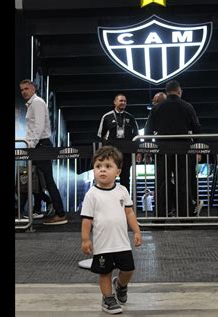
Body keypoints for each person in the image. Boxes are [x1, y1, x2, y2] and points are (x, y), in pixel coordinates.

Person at [81, 146, 142, 314]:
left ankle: (121, 286)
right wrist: (86, 239)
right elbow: (87, 220)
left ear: (118, 172)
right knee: (105, 272)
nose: (102, 170)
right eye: (98, 166)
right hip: (103, 245)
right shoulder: (91, 194)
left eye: (108, 166)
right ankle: (108, 298)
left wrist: (137, 231)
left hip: (122, 243)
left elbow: (129, 213)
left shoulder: (122, 191)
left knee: (128, 269)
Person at [144, 80, 201, 217]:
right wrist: (197, 148)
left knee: (161, 184)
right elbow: (197, 129)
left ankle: (160, 218)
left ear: (167, 91)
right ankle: (185, 217)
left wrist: (148, 150)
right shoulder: (187, 107)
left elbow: (147, 131)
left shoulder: (157, 108)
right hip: (184, 151)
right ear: (179, 91)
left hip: (162, 150)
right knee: (183, 184)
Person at [19, 79, 67, 225]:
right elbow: (32, 128)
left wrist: (30, 146)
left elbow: (39, 128)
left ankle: (60, 213)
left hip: (41, 145)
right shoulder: (32, 104)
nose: (24, 92)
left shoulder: (37, 102)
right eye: (22, 90)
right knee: (38, 181)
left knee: (47, 180)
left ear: (34, 88)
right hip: (36, 145)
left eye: (26, 88)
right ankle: (38, 209)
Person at [97, 94, 142, 192]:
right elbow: (100, 136)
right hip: (111, 154)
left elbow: (136, 136)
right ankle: (109, 202)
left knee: (125, 179)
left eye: (125, 101)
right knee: (110, 178)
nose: (123, 103)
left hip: (127, 154)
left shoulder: (131, 117)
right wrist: (102, 153)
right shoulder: (107, 117)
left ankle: (126, 204)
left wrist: (138, 151)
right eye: (121, 101)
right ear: (115, 102)